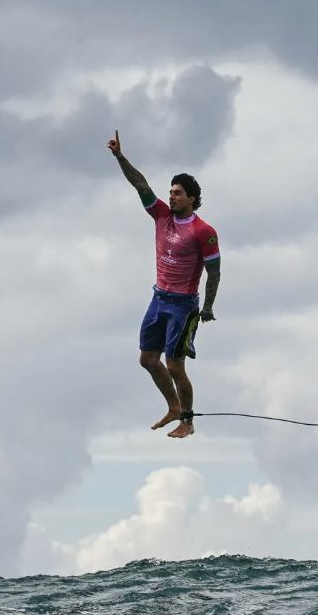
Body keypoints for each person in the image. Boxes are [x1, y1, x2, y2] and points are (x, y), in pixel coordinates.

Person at [107, 130, 221, 439]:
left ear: (192, 199)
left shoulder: (203, 231)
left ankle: (187, 419)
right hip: (159, 299)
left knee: (174, 365)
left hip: (183, 306)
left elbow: (214, 271)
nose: (171, 196)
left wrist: (208, 306)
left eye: (178, 193)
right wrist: (119, 156)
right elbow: (140, 184)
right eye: (170, 192)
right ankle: (173, 406)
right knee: (147, 359)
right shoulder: (161, 216)